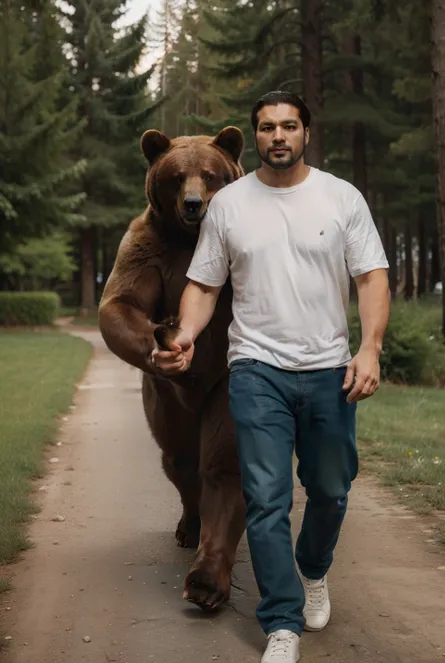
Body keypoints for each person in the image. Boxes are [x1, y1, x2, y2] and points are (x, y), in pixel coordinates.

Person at [151, 90, 390, 663]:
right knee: (265, 497)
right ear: (254, 137)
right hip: (256, 370)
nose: (277, 136)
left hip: (329, 369)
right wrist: (184, 335)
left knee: (331, 489)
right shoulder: (229, 204)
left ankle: (312, 570)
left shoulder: (341, 197)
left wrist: (371, 349)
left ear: (306, 133)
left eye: (288, 126)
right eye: (266, 127)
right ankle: (281, 620)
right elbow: (204, 285)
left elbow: (371, 277)